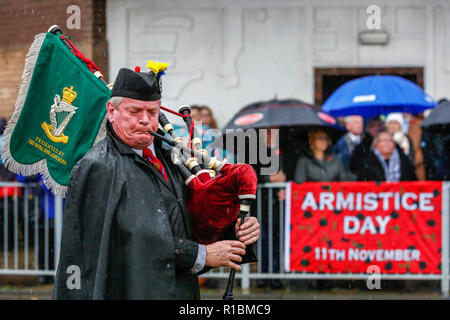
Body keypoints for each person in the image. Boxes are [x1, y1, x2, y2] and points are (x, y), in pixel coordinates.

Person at [53, 65, 260, 300]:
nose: (144, 120)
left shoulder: (173, 157)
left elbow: (195, 224)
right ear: (112, 111)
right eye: (134, 111)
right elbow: (127, 241)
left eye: (152, 113)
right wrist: (200, 254)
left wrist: (235, 228)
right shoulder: (97, 166)